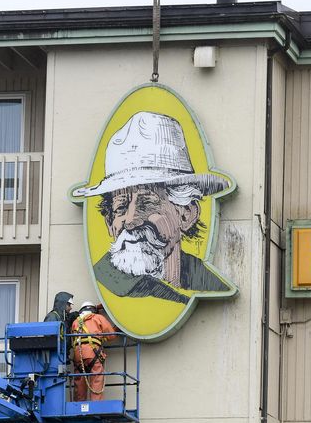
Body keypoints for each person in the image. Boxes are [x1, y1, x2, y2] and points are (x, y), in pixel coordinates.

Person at [72, 111, 234, 304]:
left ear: (187, 214)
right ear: (109, 222)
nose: (131, 221)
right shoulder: (105, 283)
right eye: (121, 207)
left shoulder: (208, 284)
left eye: (147, 203)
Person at [71, 301, 118, 402]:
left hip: (78, 354)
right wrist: (118, 328)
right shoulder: (98, 318)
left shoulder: (75, 322)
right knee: (96, 378)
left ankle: (79, 405)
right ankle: (95, 404)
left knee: (79, 380)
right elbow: (111, 335)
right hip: (93, 353)